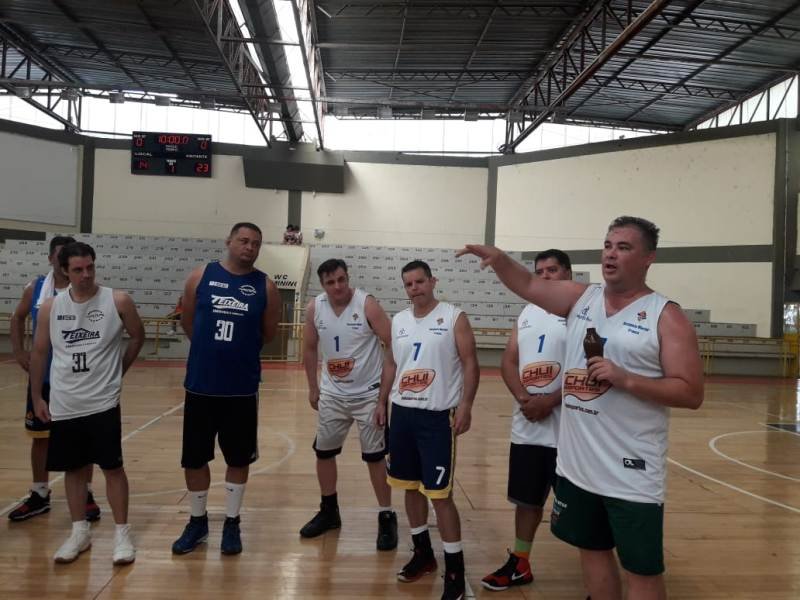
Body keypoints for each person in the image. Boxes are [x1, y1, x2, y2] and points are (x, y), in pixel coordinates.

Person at [458, 216, 704, 600]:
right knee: (593, 554)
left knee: (641, 571)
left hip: (630, 473)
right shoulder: (581, 298)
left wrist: (626, 379)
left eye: (623, 247)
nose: (611, 254)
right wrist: (501, 259)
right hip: (578, 468)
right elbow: (529, 285)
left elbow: (691, 392)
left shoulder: (665, 315)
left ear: (648, 258)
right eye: (608, 246)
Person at [29, 242, 145, 564]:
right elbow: (39, 352)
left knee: (112, 467)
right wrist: (37, 396)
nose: (86, 274)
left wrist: (119, 371)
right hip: (65, 402)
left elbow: (137, 336)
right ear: (65, 271)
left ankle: (122, 533)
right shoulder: (51, 307)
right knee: (74, 469)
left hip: (102, 401)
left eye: (90, 267)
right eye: (78, 270)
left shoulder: (117, 300)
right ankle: (79, 532)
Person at [172, 222, 281, 556]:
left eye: (256, 243)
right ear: (229, 241)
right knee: (194, 458)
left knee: (238, 458)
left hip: (241, 389)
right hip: (201, 385)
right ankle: (197, 521)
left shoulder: (265, 286)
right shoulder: (200, 276)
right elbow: (188, 322)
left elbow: (268, 333)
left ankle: (232, 522)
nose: (249, 247)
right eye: (244, 241)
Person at [376, 260, 479, 600]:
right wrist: (381, 401)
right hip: (402, 415)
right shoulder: (399, 321)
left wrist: (466, 405)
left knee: (440, 495)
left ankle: (455, 570)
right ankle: (423, 553)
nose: (414, 288)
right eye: (408, 284)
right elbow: (391, 363)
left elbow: (470, 363)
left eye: (419, 281)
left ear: (433, 281)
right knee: (409, 487)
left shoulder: (453, 317)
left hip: (437, 418)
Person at [481, 249, 572, 592]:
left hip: (570, 432)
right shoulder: (527, 313)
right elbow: (508, 361)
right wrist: (524, 399)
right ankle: (520, 563)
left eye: (553, 270)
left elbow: (590, 368)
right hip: (529, 427)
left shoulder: (581, 313)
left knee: (583, 509)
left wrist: (550, 400)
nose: (545, 276)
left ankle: (600, 577)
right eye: (540, 271)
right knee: (526, 502)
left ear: (568, 274)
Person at [300, 258, 398, 550]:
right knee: (324, 453)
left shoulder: (367, 304)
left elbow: (394, 344)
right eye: (330, 282)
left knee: (375, 457)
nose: (338, 286)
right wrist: (313, 387)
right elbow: (309, 348)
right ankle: (329, 511)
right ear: (322, 285)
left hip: (368, 395)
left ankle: (386, 515)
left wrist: (383, 397)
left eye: (341, 279)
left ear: (348, 277)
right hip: (332, 394)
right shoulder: (314, 307)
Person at [7, 235, 101, 523]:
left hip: (77, 380)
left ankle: (85, 493)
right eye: (60, 255)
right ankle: (39, 493)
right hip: (45, 377)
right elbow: (17, 317)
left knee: (82, 439)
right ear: (52, 259)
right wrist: (19, 351)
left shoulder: (90, 291)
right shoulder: (36, 288)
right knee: (41, 438)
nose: (63, 260)